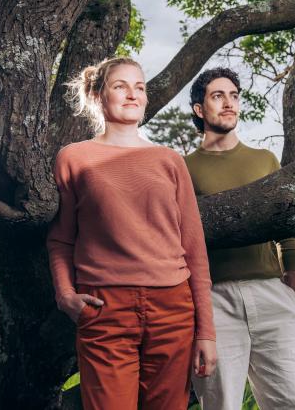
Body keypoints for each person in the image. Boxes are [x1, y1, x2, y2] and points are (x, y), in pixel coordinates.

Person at [46, 56, 217, 410]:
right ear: (98, 95)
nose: (132, 94)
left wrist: (207, 332)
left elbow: (195, 250)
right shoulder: (74, 158)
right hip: (104, 308)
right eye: (120, 86)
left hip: (173, 307)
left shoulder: (170, 161)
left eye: (139, 87)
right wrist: (64, 294)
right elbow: (61, 239)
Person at [186, 67, 295, 410]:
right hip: (215, 301)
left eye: (234, 95)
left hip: (272, 293)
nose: (229, 103)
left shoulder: (264, 160)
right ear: (200, 109)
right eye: (218, 96)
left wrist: (292, 272)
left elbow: (285, 221)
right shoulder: (182, 169)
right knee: (222, 405)